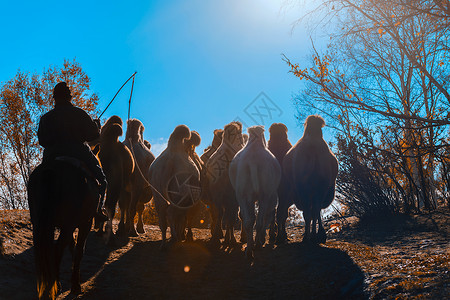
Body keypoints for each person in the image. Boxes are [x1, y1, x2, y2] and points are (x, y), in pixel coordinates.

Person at [37, 82, 108, 221]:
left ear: (54, 98)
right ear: (69, 97)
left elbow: (42, 141)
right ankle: (98, 210)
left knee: (39, 177)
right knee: (102, 179)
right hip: (78, 152)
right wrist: (96, 127)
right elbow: (92, 136)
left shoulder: (46, 118)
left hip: (52, 155)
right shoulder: (80, 114)